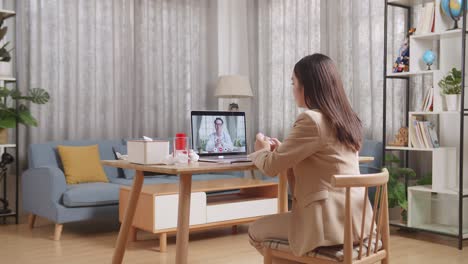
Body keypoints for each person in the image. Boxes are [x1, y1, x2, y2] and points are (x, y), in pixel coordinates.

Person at [248, 54, 374, 261]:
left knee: (255, 230)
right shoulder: (347, 119)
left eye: (293, 82)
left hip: (326, 226)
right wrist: (285, 151)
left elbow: (270, 167)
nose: (292, 89)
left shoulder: (311, 119)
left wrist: (261, 149)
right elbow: (324, 157)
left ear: (307, 86)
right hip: (357, 223)